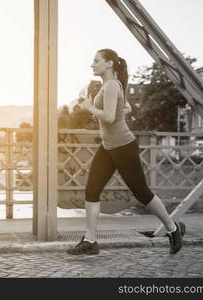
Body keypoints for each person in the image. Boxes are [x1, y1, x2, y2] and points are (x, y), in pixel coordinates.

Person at [66, 48, 185, 256]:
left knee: (142, 193)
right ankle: (90, 241)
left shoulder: (111, 84)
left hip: (123, 146)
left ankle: (173, 229)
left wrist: (89, 107)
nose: (92, 64)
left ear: (109, 63)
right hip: (108, 146)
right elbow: (123, 109)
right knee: (91, 190)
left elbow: (110, 117)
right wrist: (104, 111)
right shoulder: (110, 85)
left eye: (96, 61)